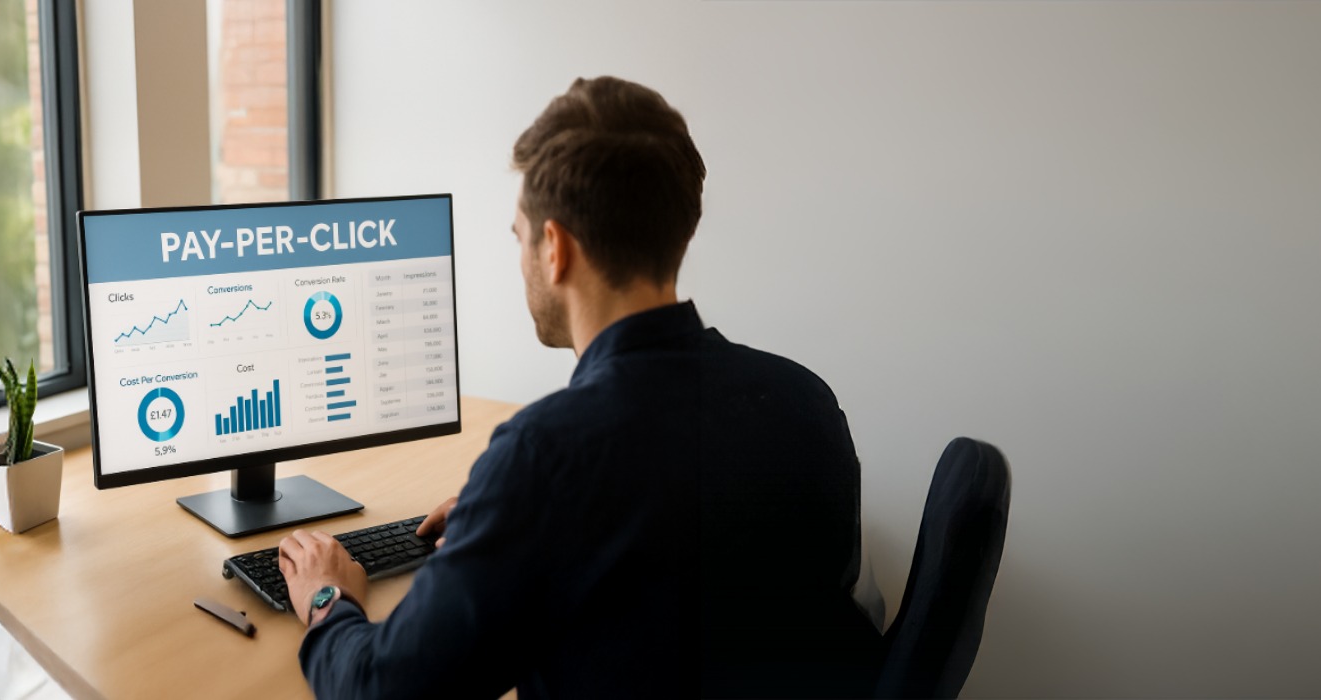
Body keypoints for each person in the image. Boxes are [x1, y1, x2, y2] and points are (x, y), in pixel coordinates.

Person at [275, 76, 882, 698]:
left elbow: (381, 690)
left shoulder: (549, 455)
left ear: (555, 249)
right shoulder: (804, 399)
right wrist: (505, 520)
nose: (521, 258)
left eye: (520, 237)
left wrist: (328, 598)